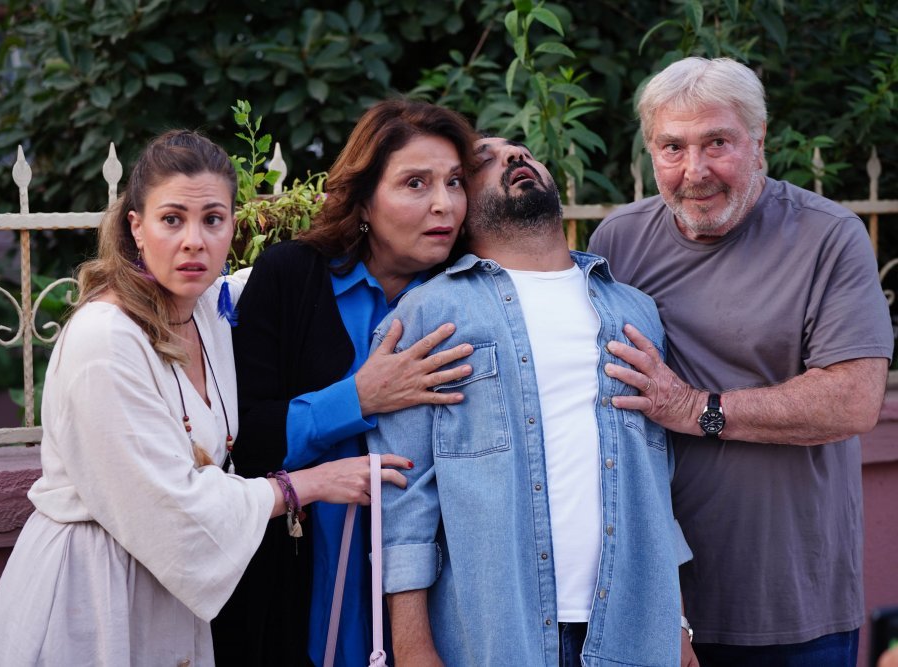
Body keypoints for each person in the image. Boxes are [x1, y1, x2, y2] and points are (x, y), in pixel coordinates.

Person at [0, 130, 410, 666]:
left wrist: (394, 223)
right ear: (136, 228)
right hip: (94, 595)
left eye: (212, 219)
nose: (194, 241)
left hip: (169, 602)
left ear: (232, 226)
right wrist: (309, 484)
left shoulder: (208, 309)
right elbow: (173, 512)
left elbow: (301, 273)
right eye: (172, 219)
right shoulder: (105, 341)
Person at [587, 57, 893, 667]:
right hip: (656, 602)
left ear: (758, 141)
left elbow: (855, 400)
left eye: (717, 143)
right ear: (651, 151)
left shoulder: (828, 237)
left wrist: (695, 409)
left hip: (792, 602)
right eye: (672, 147)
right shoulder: (616, 242)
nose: (695, 171)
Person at [367, 136, 694, 667]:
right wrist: (411, 644)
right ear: (460, 201)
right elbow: (403, 493)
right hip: (494, 635)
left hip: (634, 629)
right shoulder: (428, 313)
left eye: (520, 150)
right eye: (485, 160)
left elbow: (657, 479)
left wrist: (675, 622)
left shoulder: (635, 310)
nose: (514, 157)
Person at [211, 100, 478, 666]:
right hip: (300, 571)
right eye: (415, 183)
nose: (444, 204)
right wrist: (359, 397)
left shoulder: (472, 293)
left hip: (437, 584)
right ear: (363, 200)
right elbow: (245, 440)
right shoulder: (290, 276)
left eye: (455, 182)